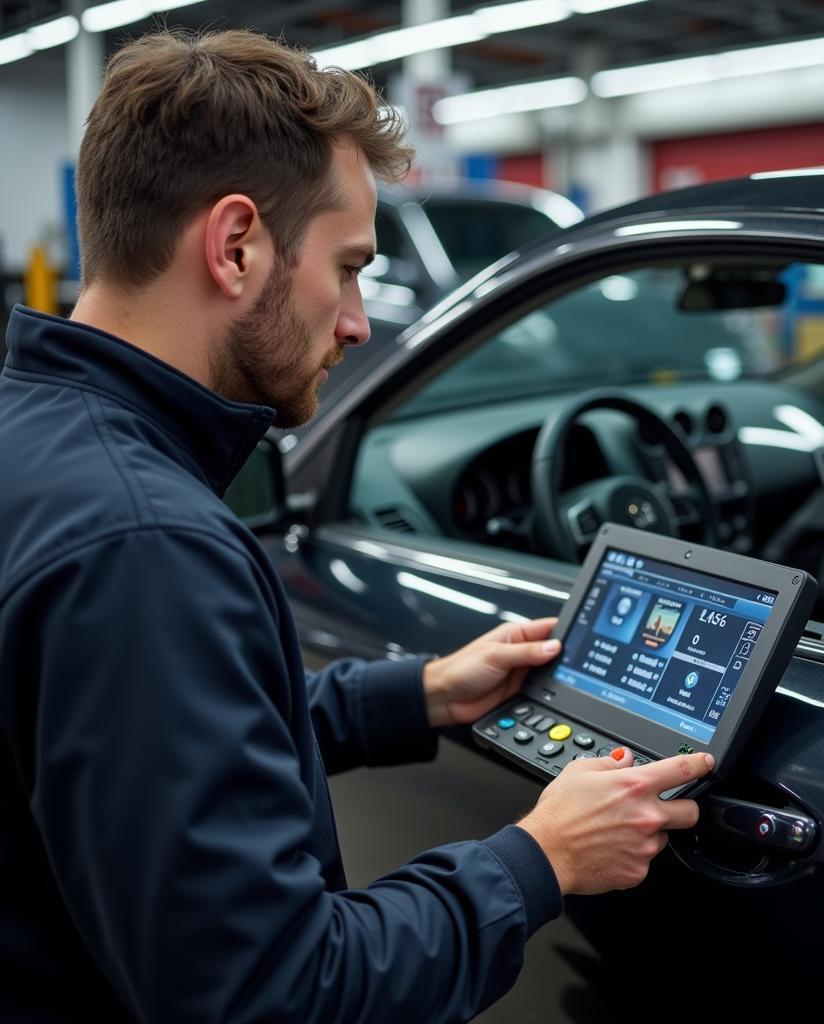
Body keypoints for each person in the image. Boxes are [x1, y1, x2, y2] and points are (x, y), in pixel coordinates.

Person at [0, 29, 712, 1023]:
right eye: (346, 268)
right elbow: (271, 994)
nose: (357, 322)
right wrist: (537, 857)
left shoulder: (37, 431)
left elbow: (140, 750)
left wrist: (412, 695)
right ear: (236, 244)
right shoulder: (146, 547)